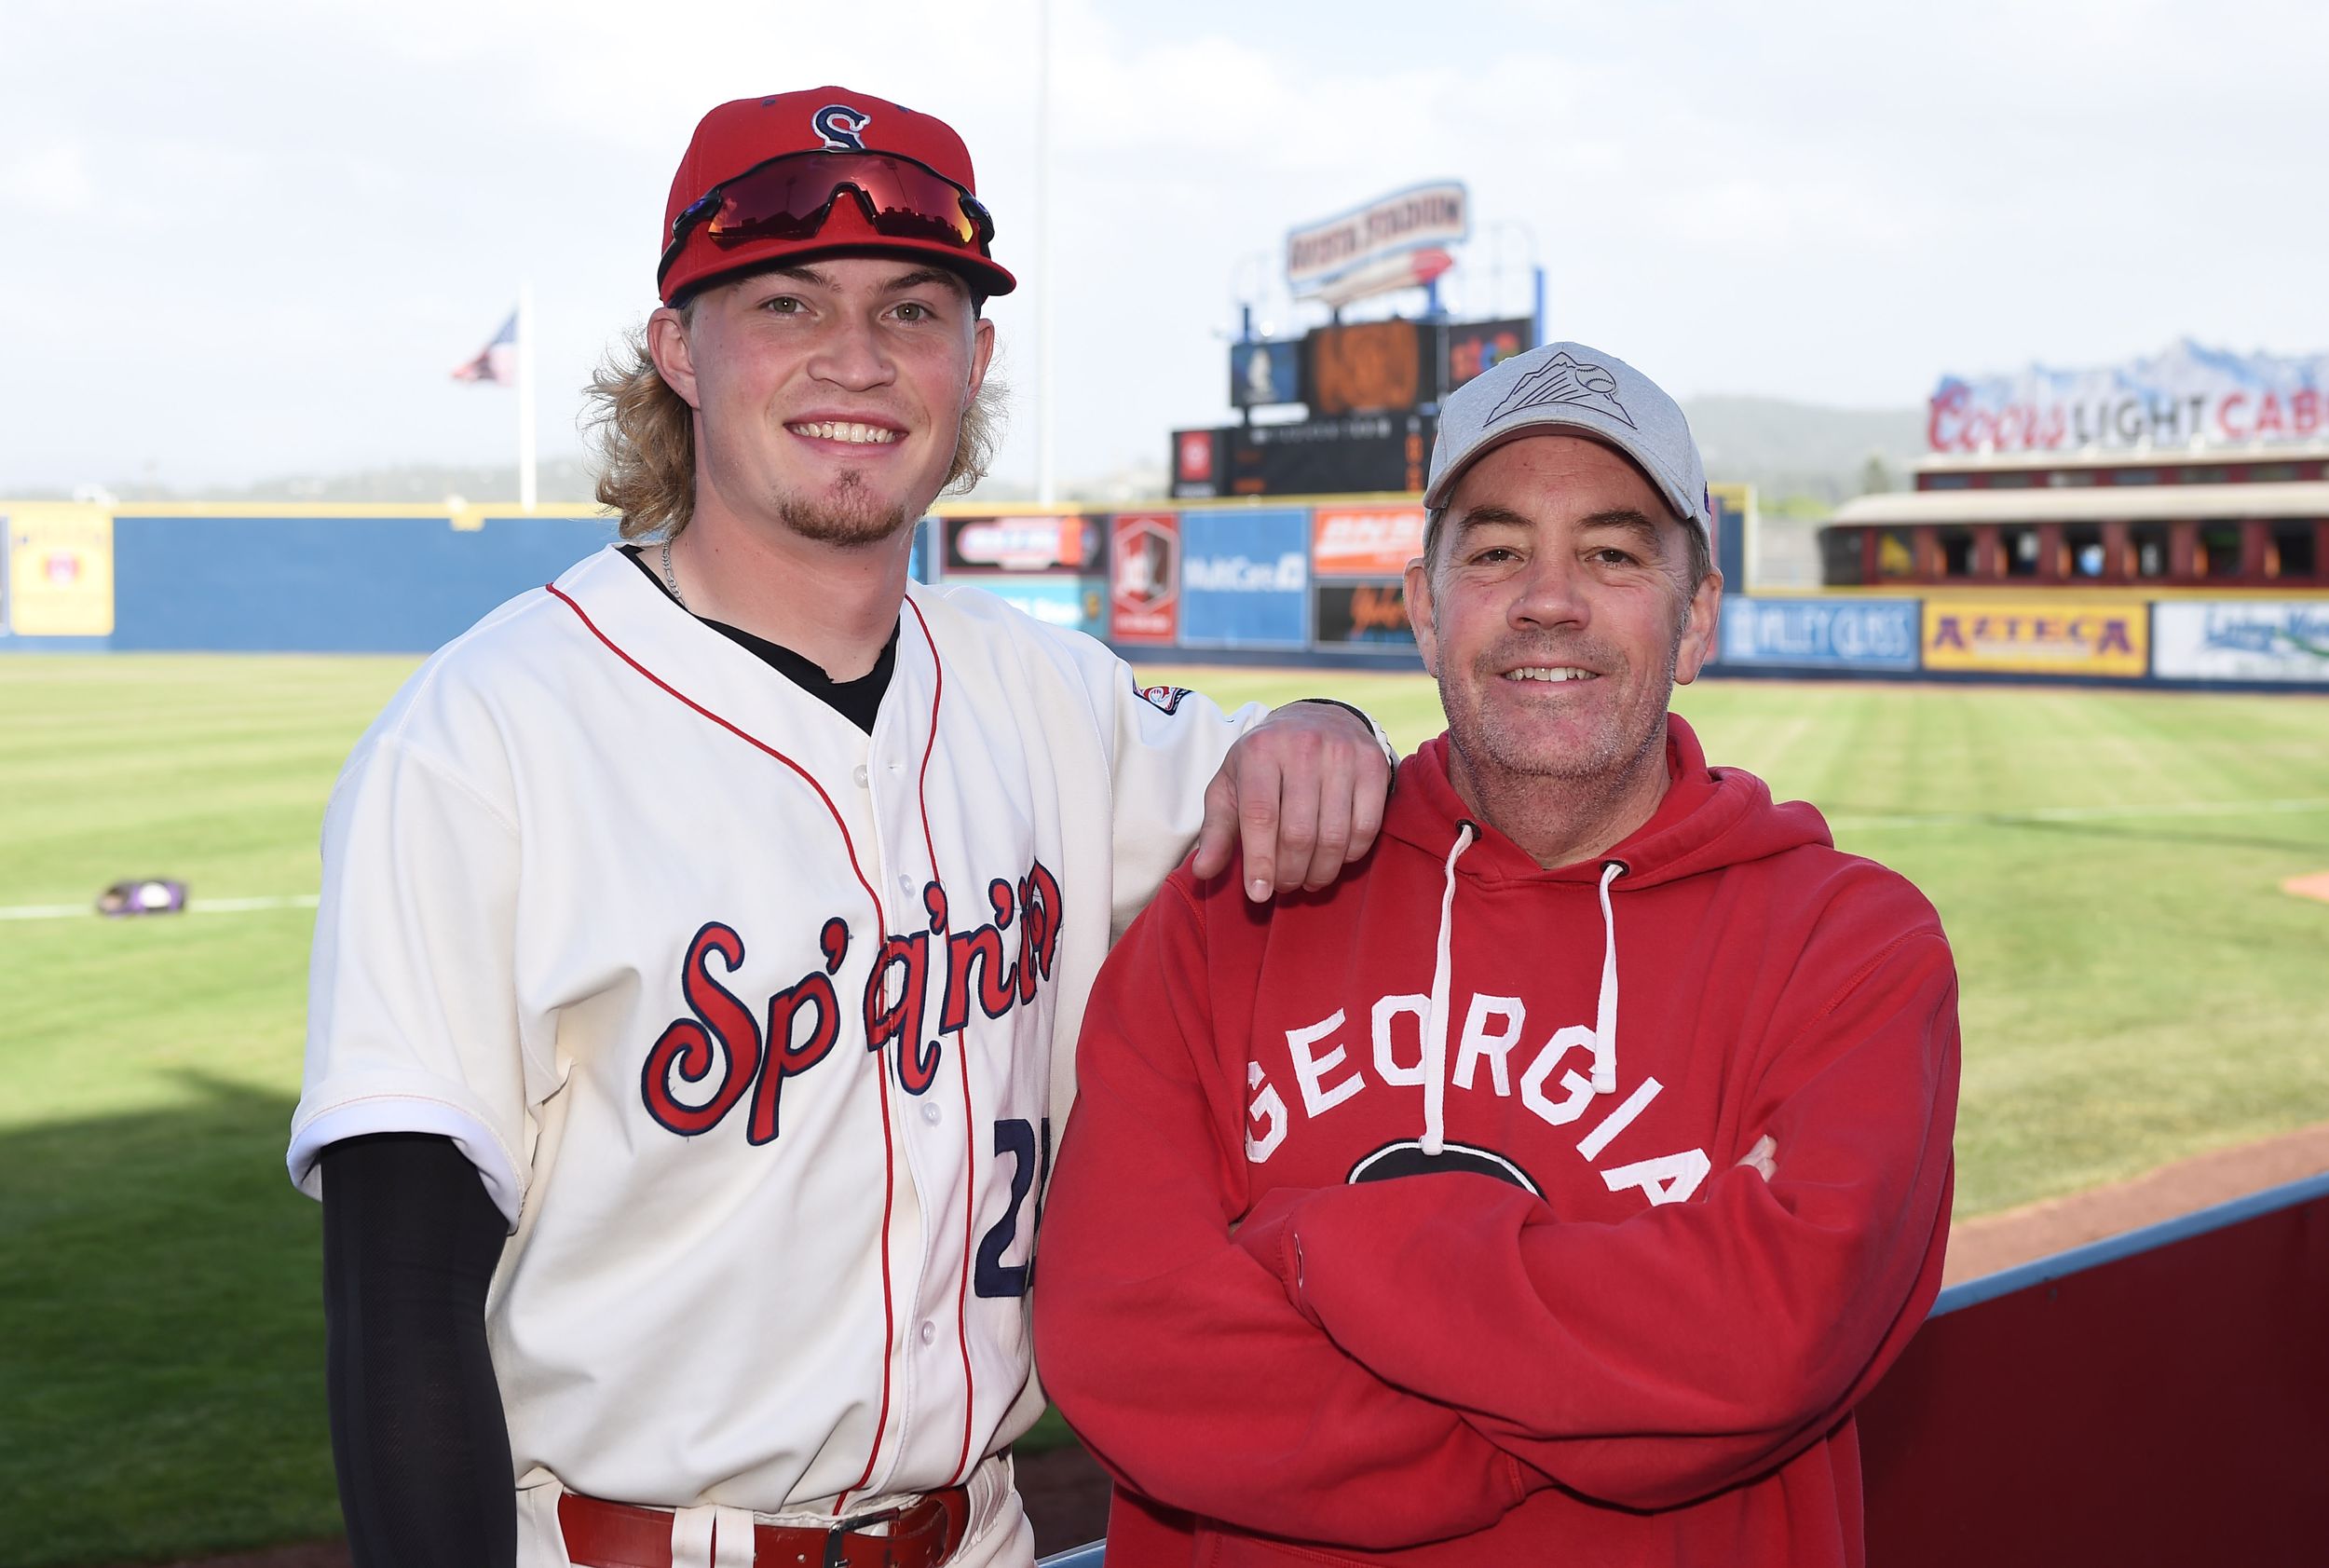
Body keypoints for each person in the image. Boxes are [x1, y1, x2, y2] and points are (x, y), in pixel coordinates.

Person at [288, 86, 1393, 1568]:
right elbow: (397, 1284)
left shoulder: (1050, 694)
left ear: (975, 357)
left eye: (915, 309)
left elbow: (1291, 778)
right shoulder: (486, 736)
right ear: (679, 346)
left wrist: (1337, 728)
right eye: (790, 302)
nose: (859, 360)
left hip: (980, 1532)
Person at [1034, 341, 1962, 1567]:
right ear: (1424, 607)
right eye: (1499, 550)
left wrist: (1319, 1252)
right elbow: (1121, 1341)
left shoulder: (1853, 951)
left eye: (1615, 554)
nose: (1550, 599)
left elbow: (1774, 1340)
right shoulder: (1240, 900)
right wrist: (1589, 1416)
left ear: (1697, 622)